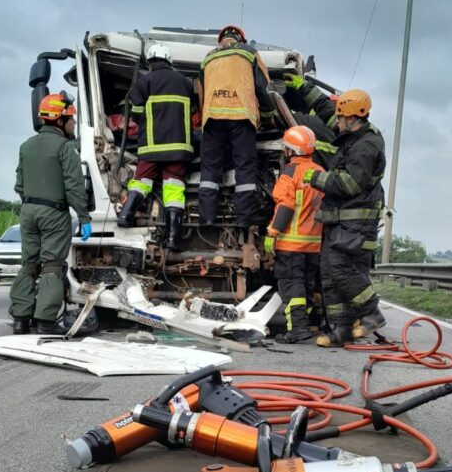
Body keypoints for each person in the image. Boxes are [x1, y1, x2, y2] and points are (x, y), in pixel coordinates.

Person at [302, 89, 387, 347]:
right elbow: (328, 112)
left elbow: (350, 184)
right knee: (329, 272)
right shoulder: (354, 134)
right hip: (340, 219)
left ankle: (372, 313)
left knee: (340, 268)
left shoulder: (365, 147)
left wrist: (316, 178)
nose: (336, 122)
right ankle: (341, 330)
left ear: (352, 118)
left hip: (355, 221)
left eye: (340, 118)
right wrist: (303, 89)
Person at [9, 91, 91, 335]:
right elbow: (74, 186)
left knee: (28, 264)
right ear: (60, 120)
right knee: (52, 266)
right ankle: (45, 321)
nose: (73, 123)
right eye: (71, 119)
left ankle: (21, 319)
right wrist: (84, 217)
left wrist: (33, 204)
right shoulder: (65, 147)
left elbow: (19, 185)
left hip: (28, 211)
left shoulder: (26, 146)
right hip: (54, 212)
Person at [117, 43, 195, 250]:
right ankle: (172, 239)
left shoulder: (144, 82)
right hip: (178, 148)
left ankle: (125, 216)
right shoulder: (185, 83)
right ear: (169, 60)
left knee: (141, 182)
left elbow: (135, 111)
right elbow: (193, 111)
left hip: (151, 147)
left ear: (150, 61)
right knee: (174, 190)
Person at [196, 24, 275, 228]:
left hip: (212, 117)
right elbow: (263, 87)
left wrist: (204, 119)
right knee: (245, 167)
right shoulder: (248, 52)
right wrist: (268, 116)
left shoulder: (208, 58)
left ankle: (207, 218)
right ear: (240, 39)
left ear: (221, 40)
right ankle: (243, 219)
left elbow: (201, 93)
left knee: (209, 169)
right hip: (241, 116)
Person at [264, 125, 323, 344]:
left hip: (291, 244)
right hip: (313, 244)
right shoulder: (320, 172)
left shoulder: (290, 173)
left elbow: (286, 206)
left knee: (292, 285)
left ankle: (297, 329)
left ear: (291, 150)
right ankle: (303, 324)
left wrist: (272, 232)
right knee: (305, 285)